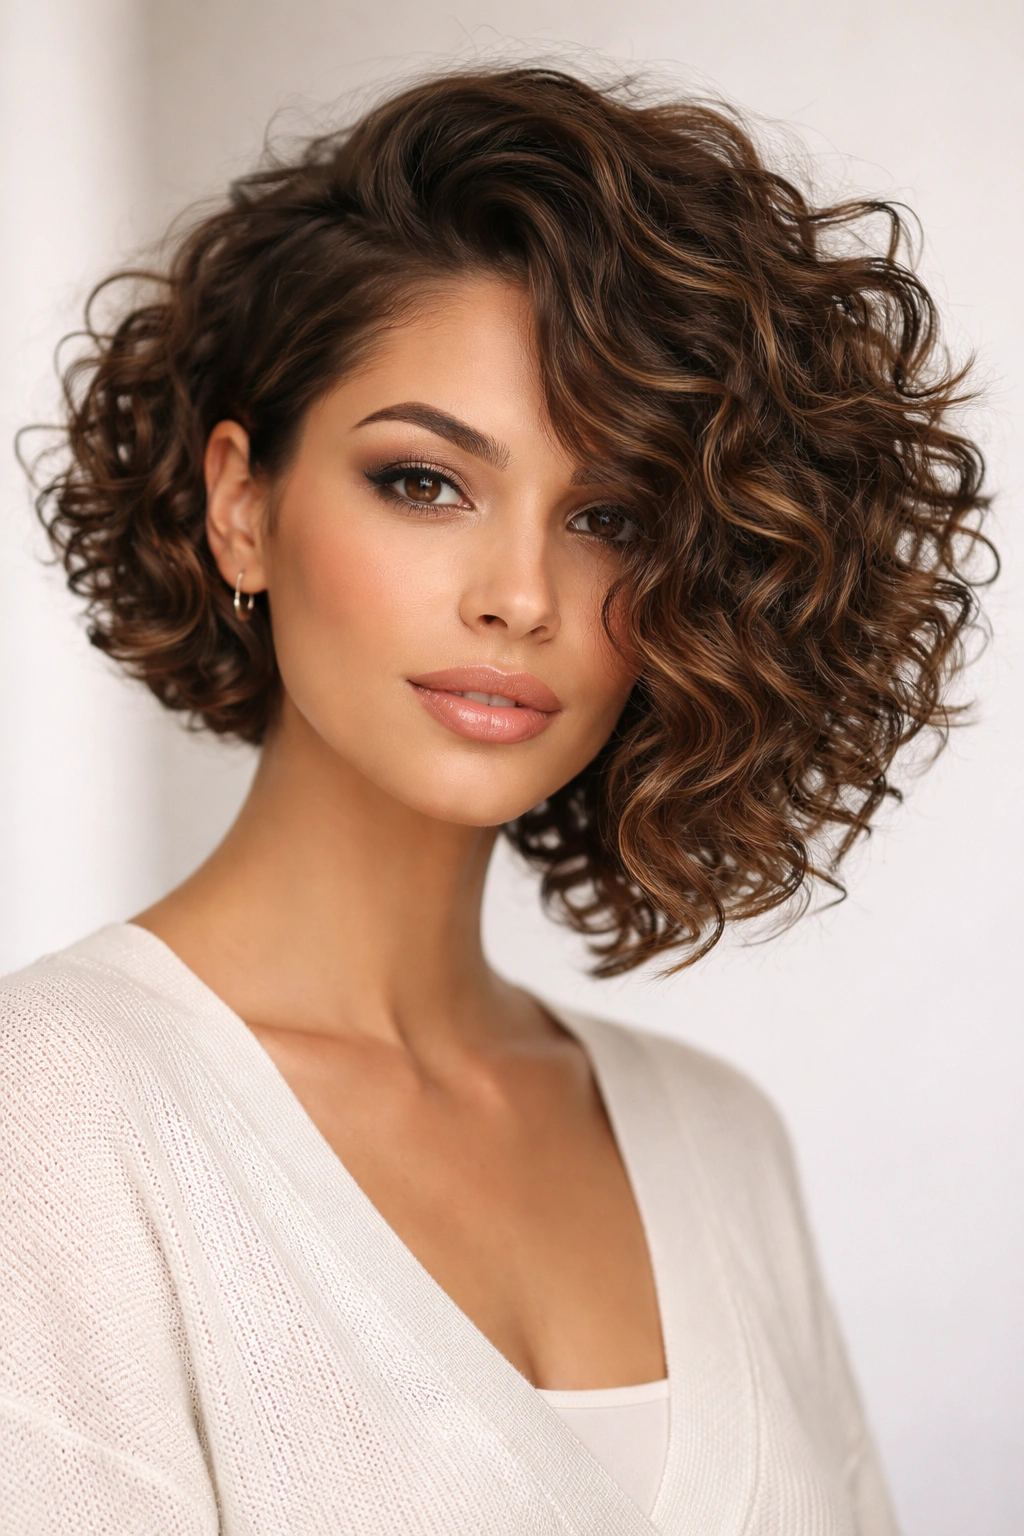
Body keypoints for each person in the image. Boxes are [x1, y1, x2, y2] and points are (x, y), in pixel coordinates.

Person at [0, 67, 990, 1535]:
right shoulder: (53, 1115)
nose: (521, 595)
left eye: (609, 519)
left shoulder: (718, 1143)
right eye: (423, 483)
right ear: (243, 505)